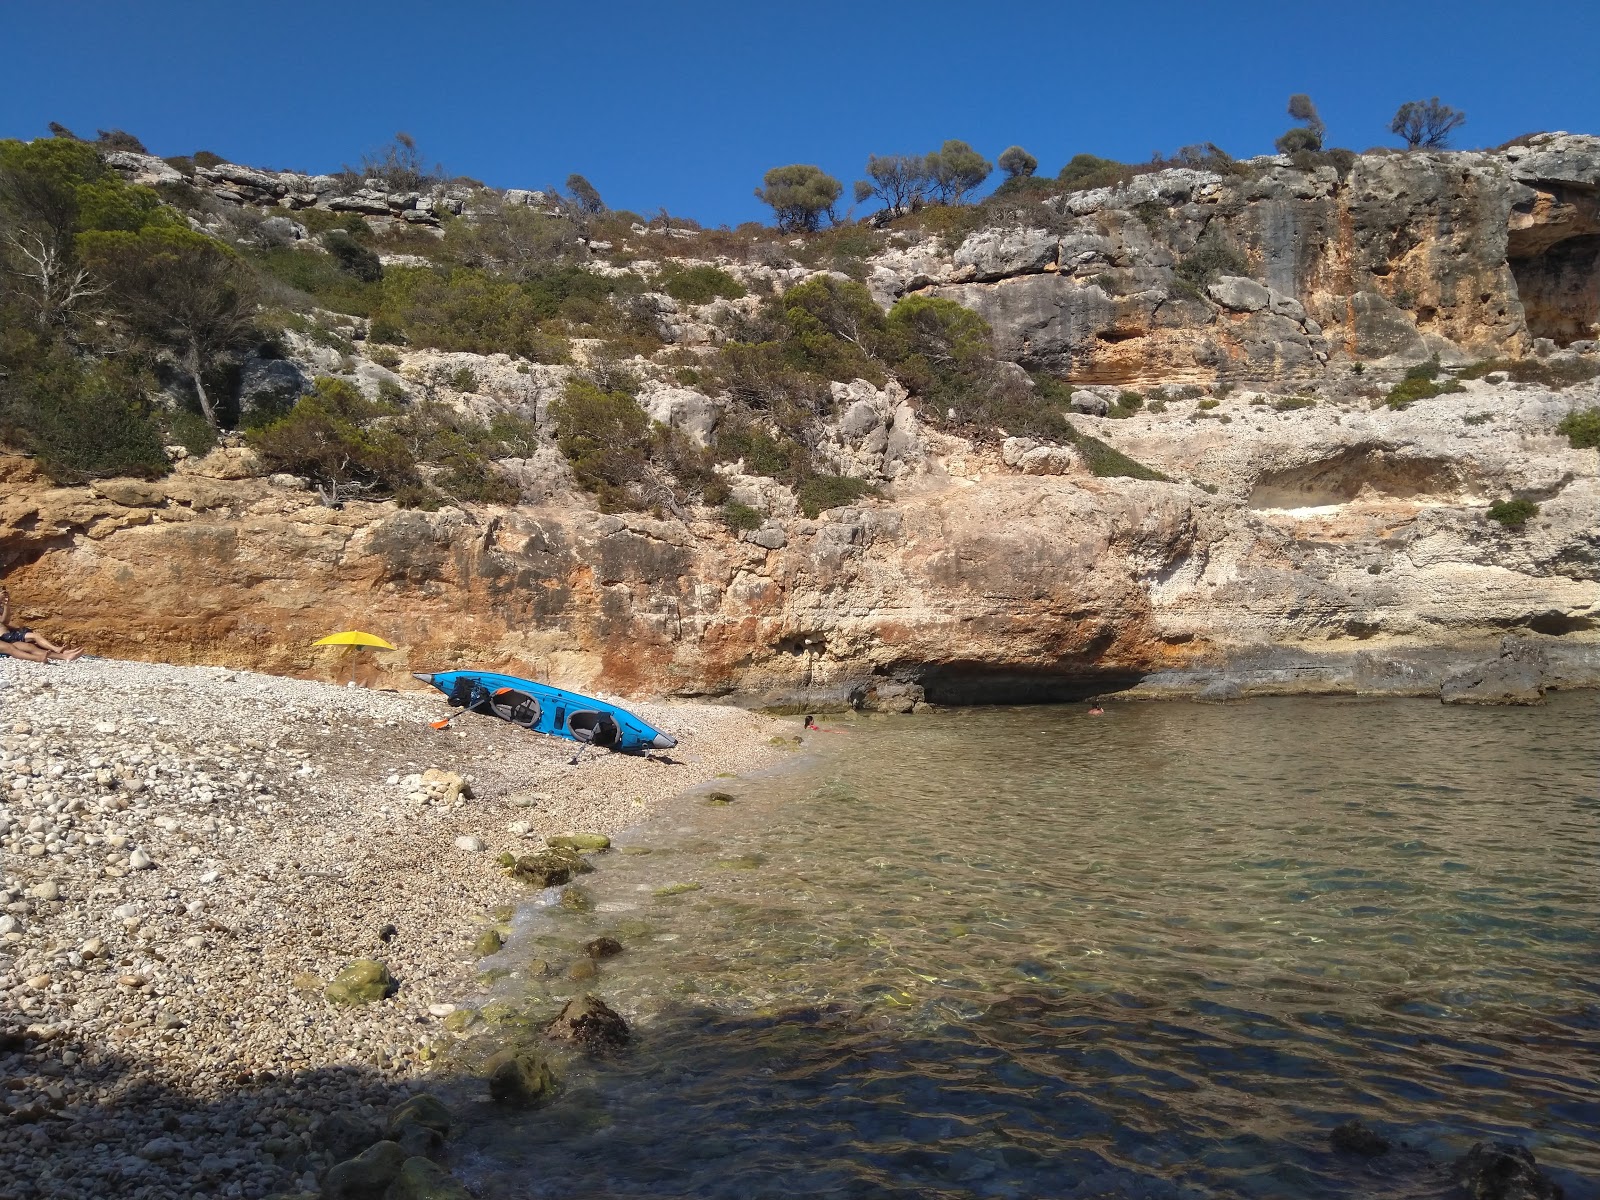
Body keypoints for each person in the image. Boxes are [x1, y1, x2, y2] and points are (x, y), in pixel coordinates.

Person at [0, 586, 83, 662]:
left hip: (5, 638)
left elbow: (5, 621)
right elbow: (4, 622)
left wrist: (6, 604)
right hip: (4, 638)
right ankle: (39, 658)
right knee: (11, 648)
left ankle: (65, 656)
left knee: (30, 647)